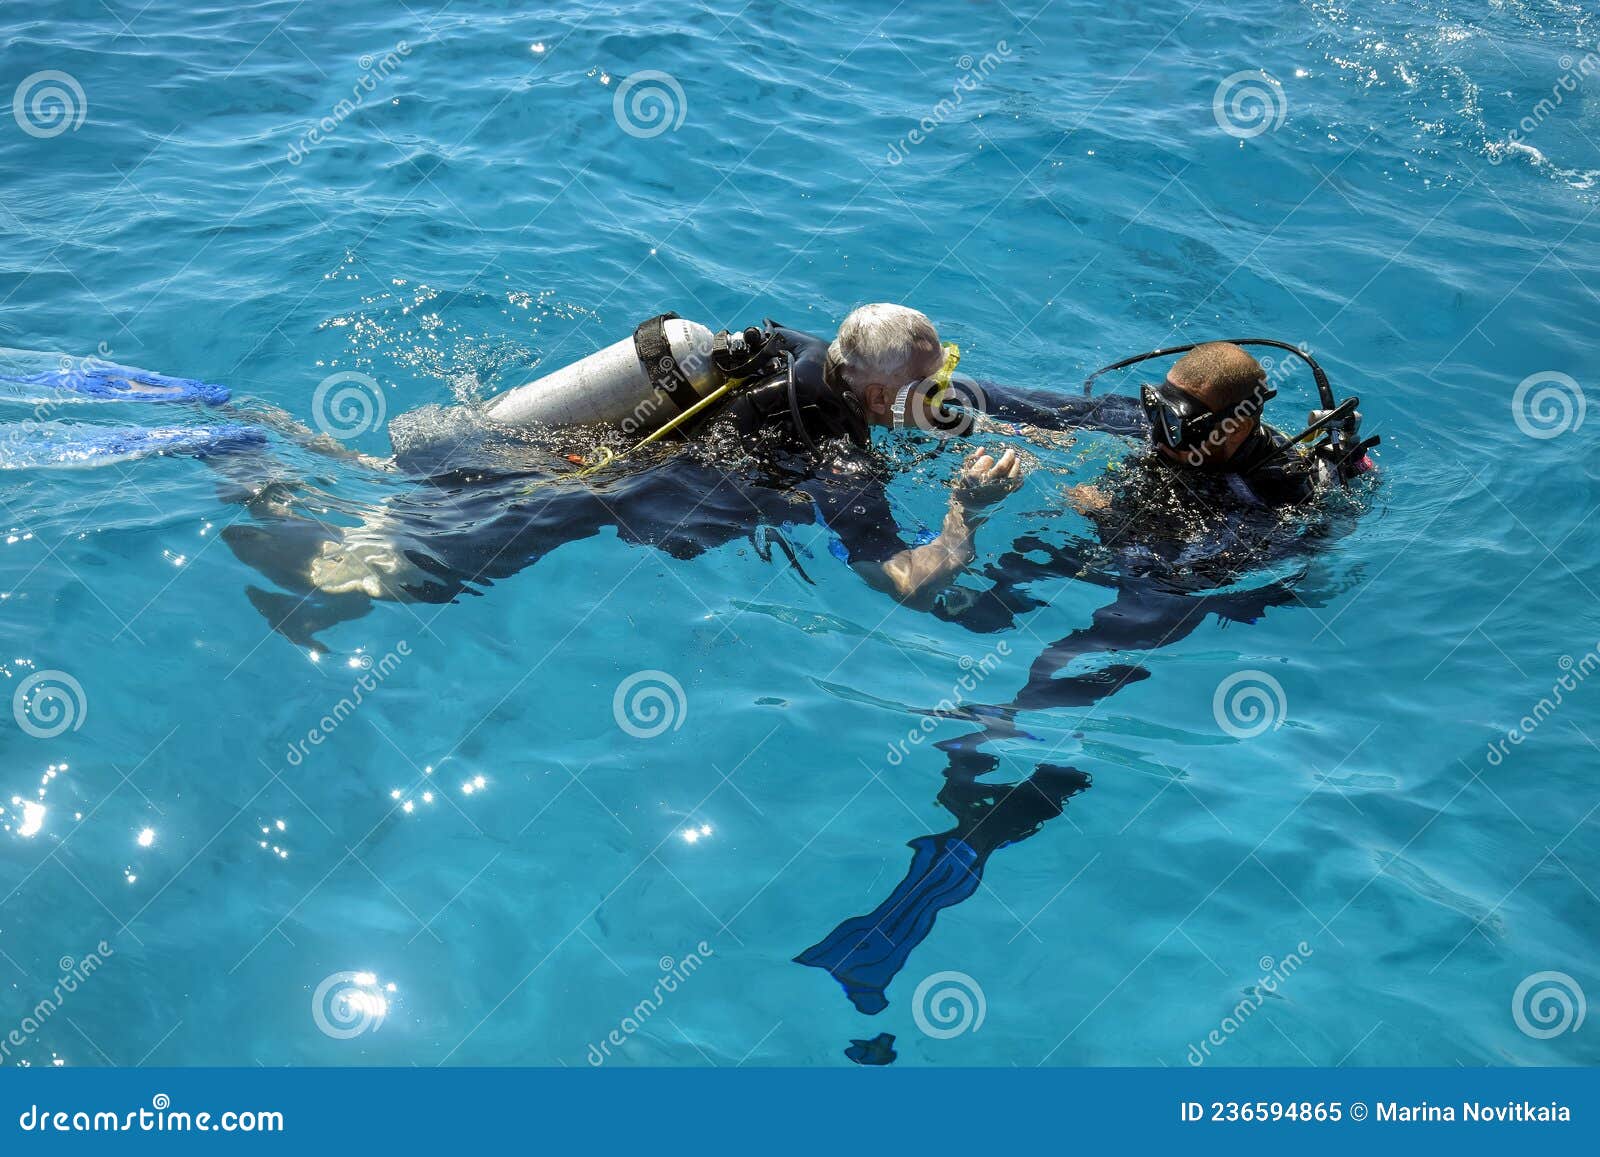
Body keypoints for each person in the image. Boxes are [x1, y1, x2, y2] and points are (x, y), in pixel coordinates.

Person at [221, 304, 1026, 646]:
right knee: (389, 574)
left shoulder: (802, 352)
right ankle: (242, 473)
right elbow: (901, 579)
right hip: (584, 495)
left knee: (382, 478)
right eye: (932, 380)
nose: (942, 393)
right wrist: (965, 514)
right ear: (879, 389)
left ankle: (256, 440)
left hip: (585, 444)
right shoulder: (839, 457)